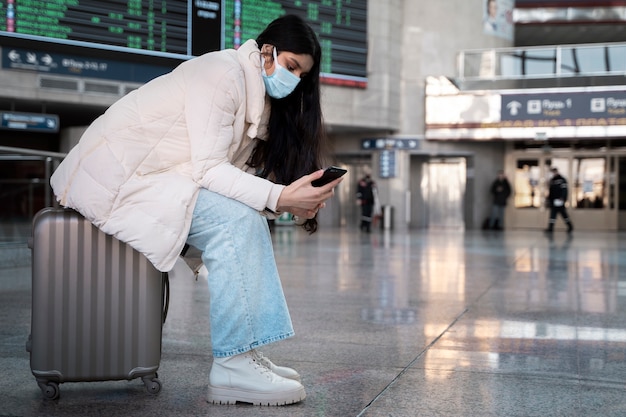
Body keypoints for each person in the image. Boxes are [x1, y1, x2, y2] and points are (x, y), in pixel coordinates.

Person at [50, 15, 342, 406]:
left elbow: (230, 183)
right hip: (116, 175)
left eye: (301, 75)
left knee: (244, 217)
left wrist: (291, 203)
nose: (293, 79)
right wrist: (280, 198)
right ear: (267, 51)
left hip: (157, 177)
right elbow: (209, 171)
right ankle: (233, 365)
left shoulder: (255, 103)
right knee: (236, 222)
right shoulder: (222, 74)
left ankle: (244, 350)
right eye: (291, 66)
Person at [545, 167, 574, 234]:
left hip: (559, 201)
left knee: (564, 215)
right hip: (553, 201)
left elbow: (564, 190)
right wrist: (549, 199)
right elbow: (551, 191)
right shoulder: (552, 180)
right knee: (552, 216)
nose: (553, 174)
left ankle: (570, 226)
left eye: (554, 172)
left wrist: (562, 198)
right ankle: (550, 228)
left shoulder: (562, 180)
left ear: (557, 172)